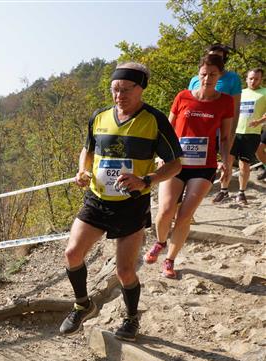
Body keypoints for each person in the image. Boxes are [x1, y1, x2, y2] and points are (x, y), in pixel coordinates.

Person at [59, 62, 182, 342]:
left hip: (131, 204)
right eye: (115, 89)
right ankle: (83, 305)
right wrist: (82, 170)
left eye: (126, 90)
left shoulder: (154, 120)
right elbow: (87, 150)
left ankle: (131, 317)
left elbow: (175, 164)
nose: (119, 95)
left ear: (141, 89)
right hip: (97, 199)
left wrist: (146, 180)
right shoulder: (99, 116)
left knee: (125, 271)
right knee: (72, 253)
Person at [146, 54, 234, 279]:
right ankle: (160, 242)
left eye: (212, 75)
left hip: (204, 166)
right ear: (198, 74)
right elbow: (167, 129)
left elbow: (225, 137)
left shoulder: (225, 102)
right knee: (166, 210)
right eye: (204, 74)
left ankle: (170, 260)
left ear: (220, 76)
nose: (207, 79)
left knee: (184, 215)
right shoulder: (183, 96)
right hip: (176, 163)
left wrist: (226, 161)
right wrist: (161, 155)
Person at [214, 67, 265, 203]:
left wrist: (259, 121)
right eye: (251, 78)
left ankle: (241, 193)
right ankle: (223, 191)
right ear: (246, 79)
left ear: (261, 79)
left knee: (244, 164)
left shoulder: (264, 93)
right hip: (233, 131)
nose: (253, 81)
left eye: (256, 79)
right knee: (227, 162)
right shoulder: (240, 92)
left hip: (251, 134)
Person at [188, 44, 241, 158]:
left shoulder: (233, 78)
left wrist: (231, 134)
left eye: (219, 58)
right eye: (212, 57)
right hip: (196, 127)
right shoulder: (195, 79)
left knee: (220, 159)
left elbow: (236, 108)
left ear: (224, 60)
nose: (214, 60)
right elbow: (187, 104)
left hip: (219, 127)